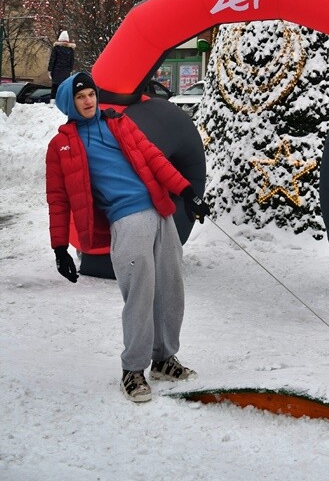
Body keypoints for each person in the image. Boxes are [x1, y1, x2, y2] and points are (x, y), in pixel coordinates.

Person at [46, 71, 211, 403]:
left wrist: (187, 192)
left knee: (171, 285)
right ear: (69, 103)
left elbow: (153, 158)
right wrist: (60, 247)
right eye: (80, 97)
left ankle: (164, 359)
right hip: (126, 218)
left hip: (160, 209)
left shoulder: (118, 124)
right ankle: (133, 369)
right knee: (141, 292)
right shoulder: (60, 146)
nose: (89, 101)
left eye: (91, 94)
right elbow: (58, 198)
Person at [47, 30, 76, 101]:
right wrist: (70, 70)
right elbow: (72, 62)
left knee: (55, 86)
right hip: (66, 72)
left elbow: (52, 60)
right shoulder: (70, 50)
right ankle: (63, 100)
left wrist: (49, 70)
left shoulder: (56, 49)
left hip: (56, 71)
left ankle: (53, 100)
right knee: (64, 86)